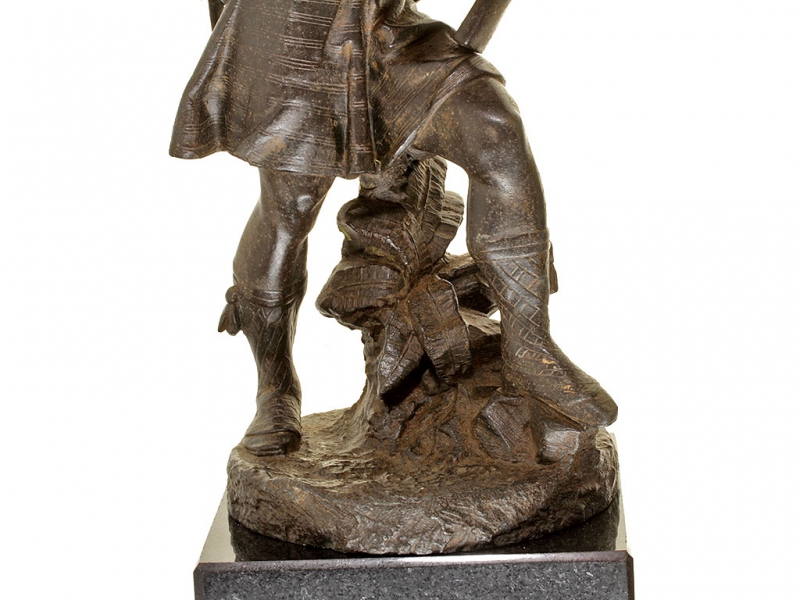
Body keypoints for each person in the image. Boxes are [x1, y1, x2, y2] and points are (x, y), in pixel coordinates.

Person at [171, 0, 617, 455]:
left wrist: (464, 48)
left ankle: (530, 349)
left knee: (495, 128)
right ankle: (275, 388)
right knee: (291, 209)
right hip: (295, 31)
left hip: (390, 32)